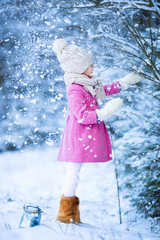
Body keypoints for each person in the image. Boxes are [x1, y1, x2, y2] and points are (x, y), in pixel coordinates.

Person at [52, 39, 142, 224]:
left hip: (84, 134)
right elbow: (81, 116)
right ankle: (65, 215)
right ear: (78, 67)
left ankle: (69, 215)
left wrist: (125, 82)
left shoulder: (87, 83)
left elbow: (104, 90)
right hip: (78, 135)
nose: (93, 66)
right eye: (88, 64)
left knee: (74, 173)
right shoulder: (75, 88)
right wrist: (105, 112)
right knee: (73, 174)